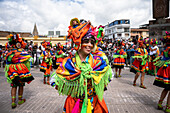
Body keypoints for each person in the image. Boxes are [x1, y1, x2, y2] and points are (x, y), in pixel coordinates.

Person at [50, 20, 112, 113]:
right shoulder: (69, 62)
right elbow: (55, 81)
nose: (89, 45)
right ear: (79, 43)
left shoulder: (98, 61)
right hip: (75, 103)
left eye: (92, 42)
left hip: (94, 103)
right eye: (86, 41)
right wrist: (72, 88)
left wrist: (96, 85)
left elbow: (108, 77)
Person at [4, 34, 34, 109]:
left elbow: (7, 61)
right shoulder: (21, 52)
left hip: (12, 70)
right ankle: (20, 100)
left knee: (14, 86)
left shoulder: (10, 52)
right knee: (21, 85)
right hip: (21, 70)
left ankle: (13, 102)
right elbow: (28, 58)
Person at [153, 31, 170, 113]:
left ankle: (160, 103)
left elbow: (162, 58)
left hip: (166, 69)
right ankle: (168, 107)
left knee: (166, 88)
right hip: (169, 68)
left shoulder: (165, 49)